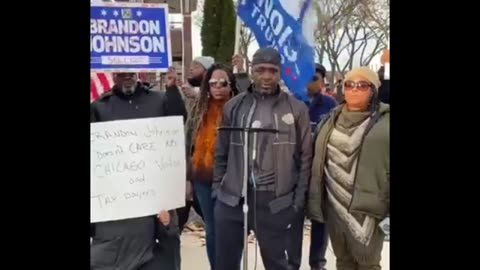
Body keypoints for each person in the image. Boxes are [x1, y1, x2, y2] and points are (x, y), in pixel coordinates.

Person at [213, 47, 313, 270]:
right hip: (232, 199)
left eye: (272, 70)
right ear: (251, 70)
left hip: (275, 202)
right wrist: (217, 190)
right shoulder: (234, 106)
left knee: (277, 264)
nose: (266, 76)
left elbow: (306, 159)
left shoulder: (296, 109)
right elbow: (221, 152)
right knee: (225, 265)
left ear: (280, 73)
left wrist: (297, 202)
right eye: (260, 70)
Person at [90, 72, 186, 270]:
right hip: (116, 205)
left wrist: (172, 90)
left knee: (164, 257)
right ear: (113, 75)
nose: (127, 77)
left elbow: (177, 123)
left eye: (131, 73)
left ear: (138, 73)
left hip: (157, 203)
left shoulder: (160, 99)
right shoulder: (99, 106)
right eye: (121, 73)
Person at [308, 67, 390, 270]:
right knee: (343, 262)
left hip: (368, 209)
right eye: (349, 84)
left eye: (363, 85)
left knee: (368, 263)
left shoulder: (385, 121)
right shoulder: (330, 120)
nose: (355, 89)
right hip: (334, 204)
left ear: (373, 90)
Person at [185, 63, 239, 270]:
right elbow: (188, 146)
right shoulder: (198, 110)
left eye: (223, 83)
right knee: (212, 229)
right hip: (203, 179)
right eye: (213, 83)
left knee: (231, 229)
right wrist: (188, 180)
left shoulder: (239, 110)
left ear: (230, 85)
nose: (218, 87)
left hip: (230, 180)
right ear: (207, 86)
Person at [288, 63, 336, 270]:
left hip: (321, 172)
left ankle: (317, 263)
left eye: (314, 78)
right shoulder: (291, 103)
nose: (310, 82)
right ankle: (292, 263)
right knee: (294, 220)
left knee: (320, 219)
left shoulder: (331, 104)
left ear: (323, 81)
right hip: (294, 172)